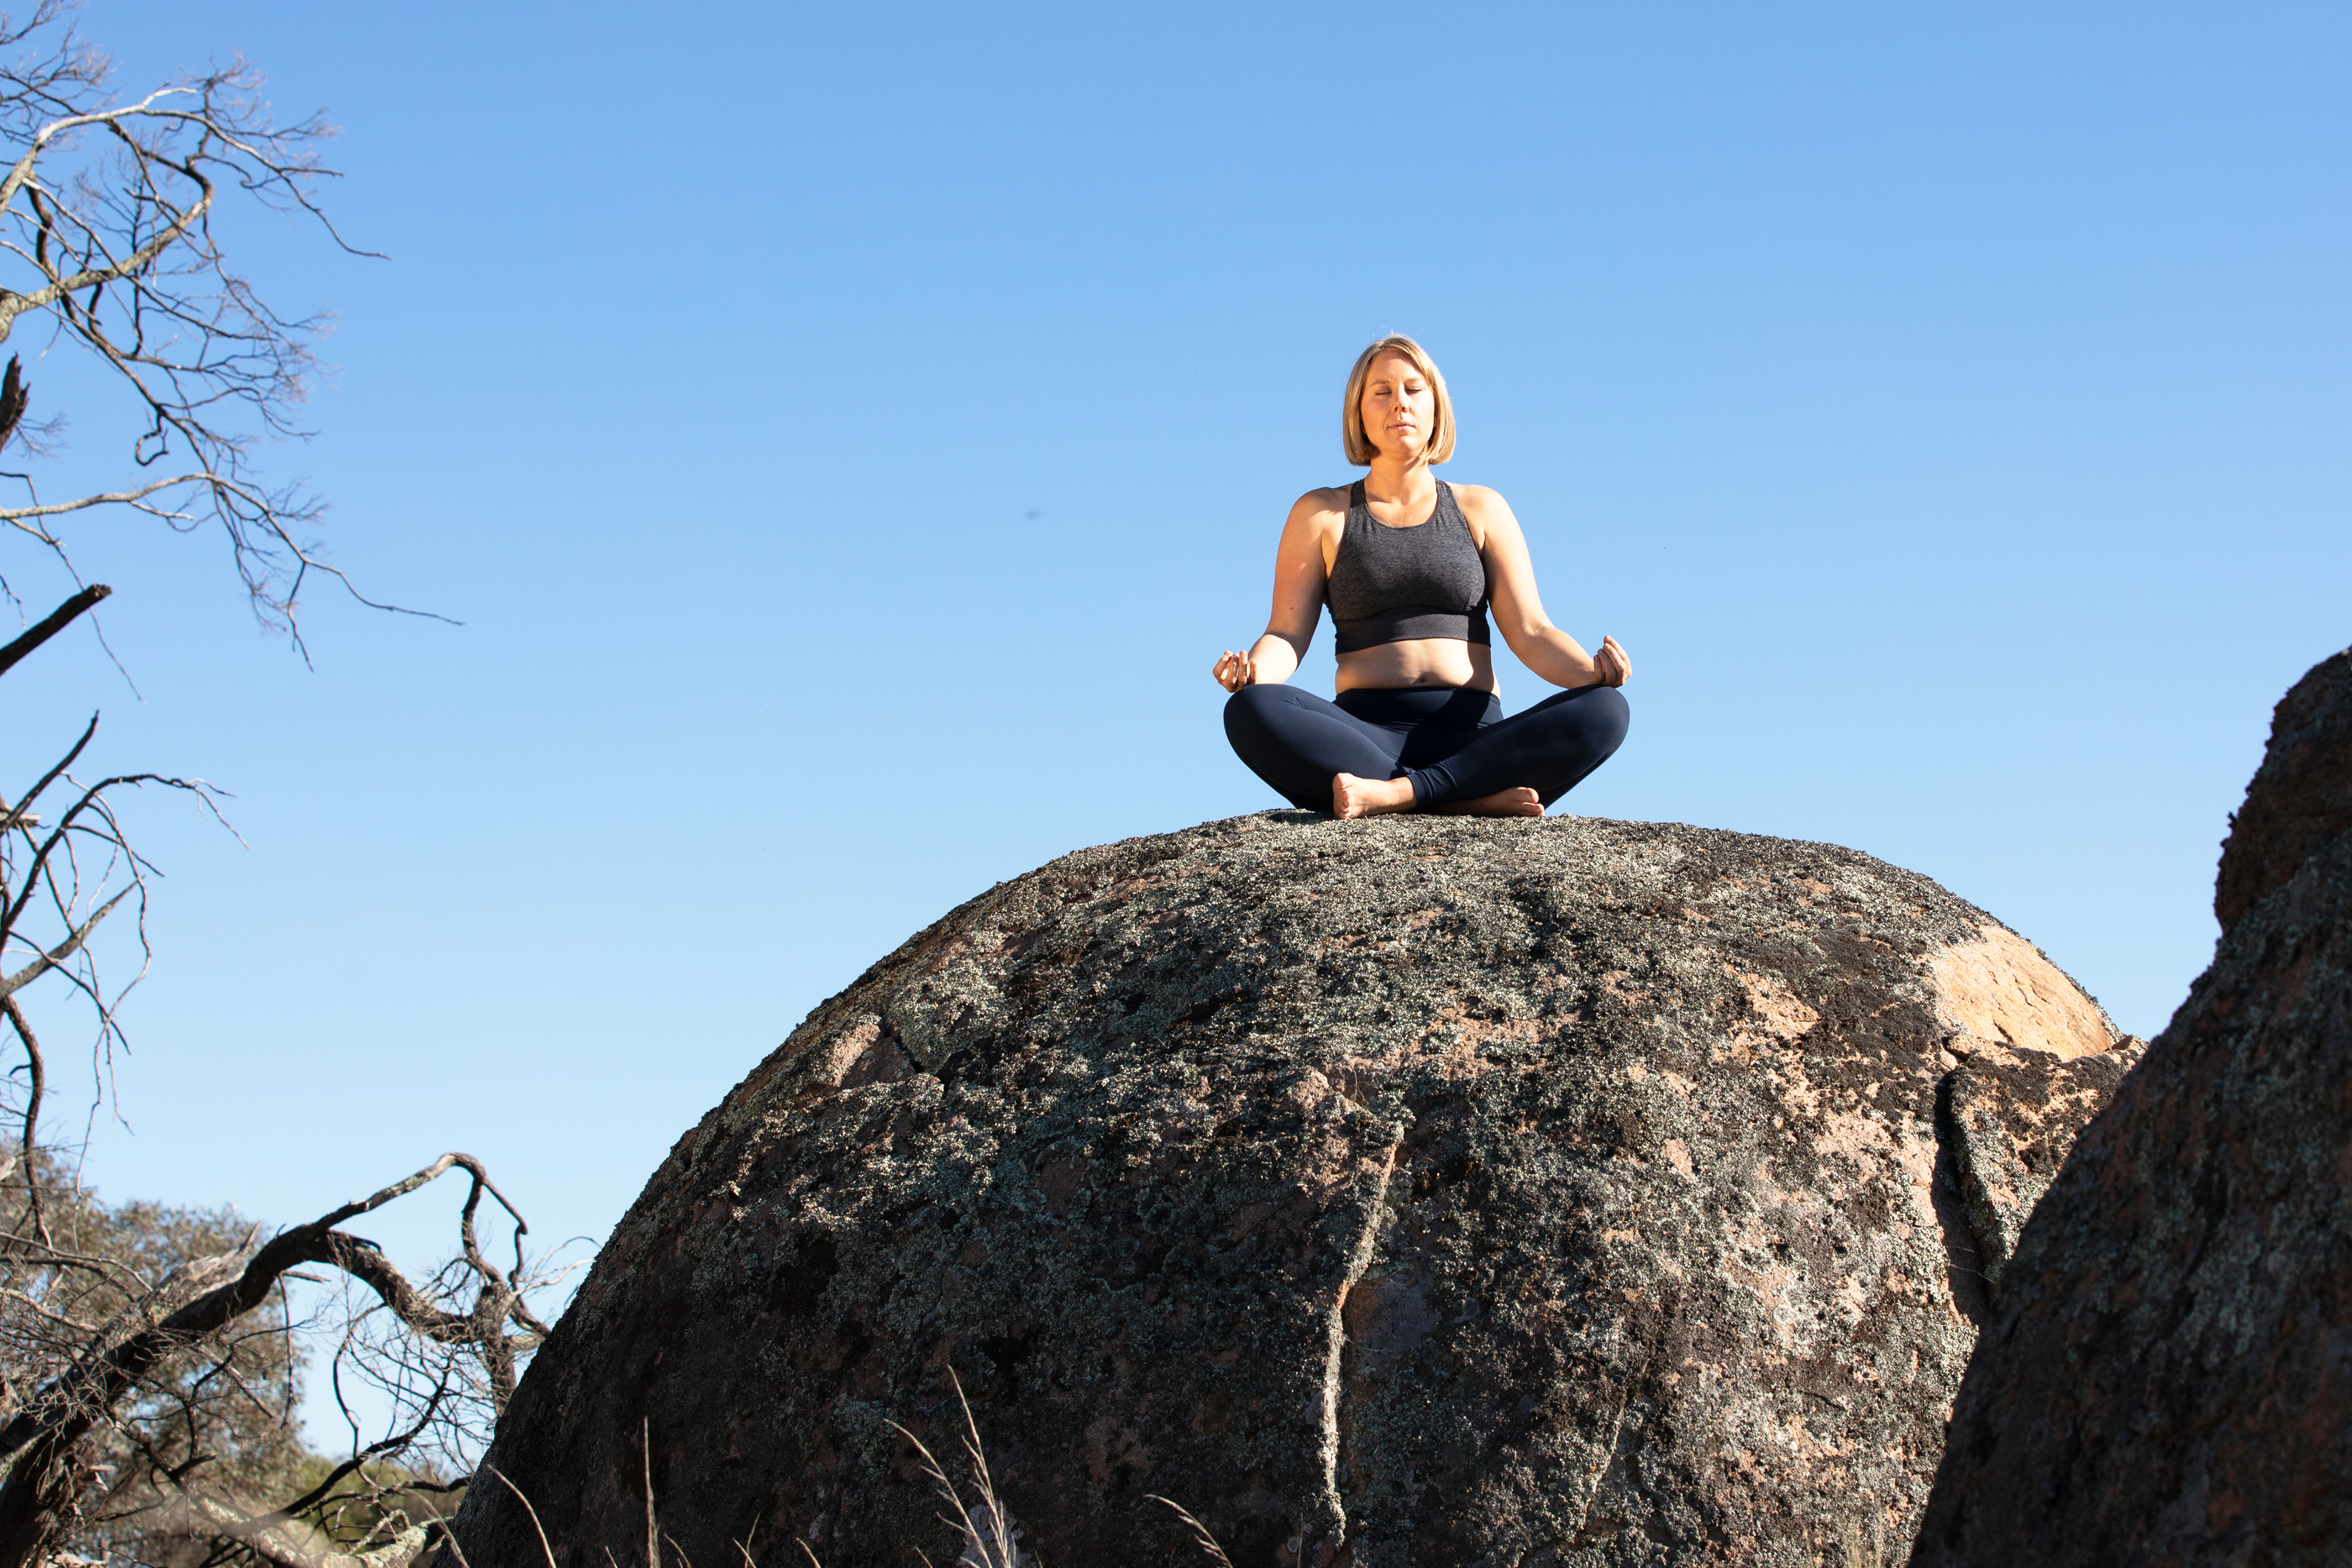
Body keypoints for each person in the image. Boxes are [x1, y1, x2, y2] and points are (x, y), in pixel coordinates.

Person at [1215, 335, 1631, 819]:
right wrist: (1253, 674)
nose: (1400, 404)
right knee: (1250, 711)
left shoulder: (1482, 507)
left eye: (1414, 389)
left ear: (1437, 408)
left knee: (1606, 710)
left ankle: (1398, 797)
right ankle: (1466, 800)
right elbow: (1285, 633)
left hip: (1474, 738)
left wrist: (1591, 674)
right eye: (1382, 391)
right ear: (1359, 412)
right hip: (1364, 737)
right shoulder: (1321, 513)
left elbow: (1532, 630)